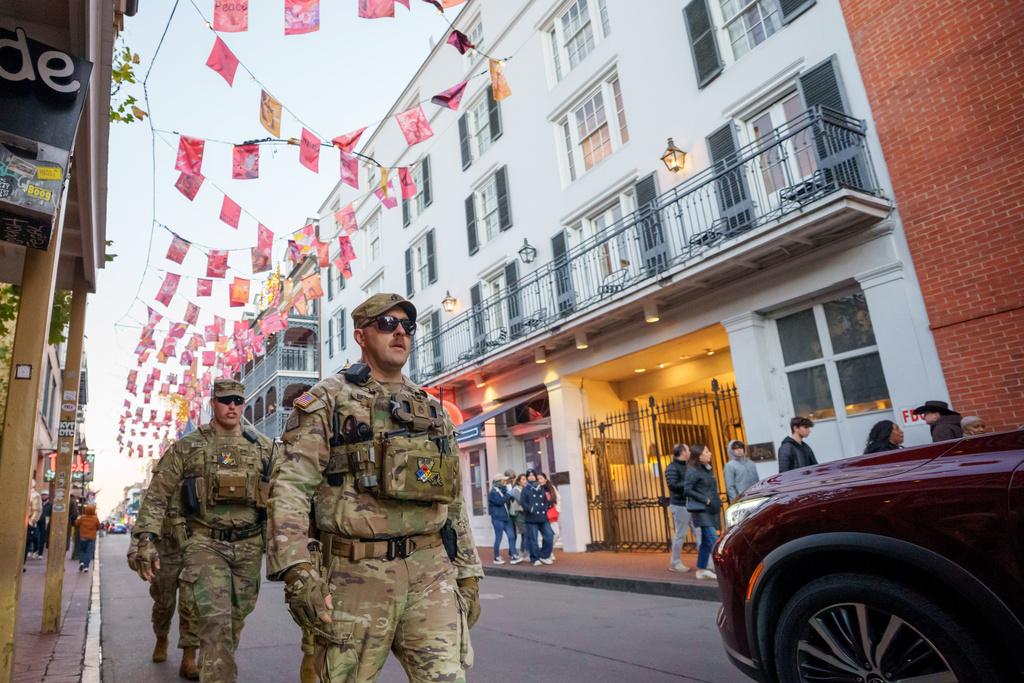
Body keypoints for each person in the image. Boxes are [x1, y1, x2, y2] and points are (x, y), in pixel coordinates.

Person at [266, 293, 482, 683]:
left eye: (406, 326)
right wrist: (297, 571)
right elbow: (290, 488)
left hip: (430, 569)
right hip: (355, 573)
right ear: (361, 336)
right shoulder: (327, 400)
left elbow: (452, 497)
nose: (399, 331)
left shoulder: (430, 409)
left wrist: (467, 572)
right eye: (386, 324)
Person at [133, 379, 275, 683]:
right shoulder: (188, 446)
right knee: (214, 622)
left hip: (249, 546)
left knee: (236, 619)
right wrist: (145, 540)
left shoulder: (263, 446)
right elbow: (158, 493)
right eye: (226, 400)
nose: (232, 406)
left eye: (238, 400)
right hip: (204, 543)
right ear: (213, 403)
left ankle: (218, 663)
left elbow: (285, 494)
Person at [127, 474, 200, 678]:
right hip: (163, 559)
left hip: (191, 557)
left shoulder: (197, 489)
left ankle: (189, 657)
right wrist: (138, 557)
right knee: (164, 606)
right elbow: (142, 530)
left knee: (191, 607)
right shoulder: (155, 498)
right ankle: (161, 637)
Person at [684, 444, 720, 580]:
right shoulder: (693, 470)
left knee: (705, 541)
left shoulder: (706, 469)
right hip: (700, 509)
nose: (710, 453)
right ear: (700, 455)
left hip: (709, 509)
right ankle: (725, 570)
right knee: (714, 540)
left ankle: (701, 570)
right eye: (707, 451)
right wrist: (705, 500)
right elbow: (688, 489)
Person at [665, 443, 697, 573]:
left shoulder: (689, 466)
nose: (690, 452)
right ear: (683, 452)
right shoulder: (672, 467)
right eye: (688, 450)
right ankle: (675, 563)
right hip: (679, 505)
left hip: (691, 504)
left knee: (700, 533)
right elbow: (672, 485)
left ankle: (707, 561)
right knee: (680, 534)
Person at [519, 469, 554, 566]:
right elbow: (523, 502)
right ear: (526, 478)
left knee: (549, 535)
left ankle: (544, 555)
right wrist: (531, 509)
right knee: (533, 539)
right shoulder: (525, 489)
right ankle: (535, 558)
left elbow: (545, 500)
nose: (531, 477)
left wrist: (545, 508)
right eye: (529, 476)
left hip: (542, 516)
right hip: (531, 517)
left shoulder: (541, 488)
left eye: (533, 475)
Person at [488, 478, 516, 563]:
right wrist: (508, 494)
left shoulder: (504, 491)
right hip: (497, 518)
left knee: (511, 536)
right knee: (498, 538)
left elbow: (509, 501)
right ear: (498, 481)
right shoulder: (493, 492)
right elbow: (500, 501)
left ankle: (513, 554)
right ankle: (496, 557)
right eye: (503, 481)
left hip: (506, 517)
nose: (505, 482)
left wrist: (511, 495)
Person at [537, 472, 561, 552]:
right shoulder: (536, 489)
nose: (539, 480)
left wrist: (558, 510)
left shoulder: (551, 487)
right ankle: (547, 552)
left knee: (556, 534)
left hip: (552, 513)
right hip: (542, 514)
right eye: (538, 479)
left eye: (541, 478)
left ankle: (547, 549)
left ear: (545, 479)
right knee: (547, 535)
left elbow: (558, 499)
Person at [74, 504, 101, 572]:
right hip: (91, 537)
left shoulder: (82, 517)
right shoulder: (95, 518)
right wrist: (93, 530)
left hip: (83, 536)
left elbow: (76, 523)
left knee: (83, 550)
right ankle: (86, 566)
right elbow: (98, 527)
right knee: (89, 552)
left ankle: (81, 562)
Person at [510, 474, 528, 562]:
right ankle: (524, 553)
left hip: (524, 513)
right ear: (519, 481)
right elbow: (520, 500)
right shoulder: (516, 489)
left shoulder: (524, 489)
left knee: (525, 534)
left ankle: (523, 553)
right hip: (519, 514)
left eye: (526, 479)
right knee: (525, 533)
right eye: (523, 479)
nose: (525, 481)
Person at [25, 486, 42, 564]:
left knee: (26, 544)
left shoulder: (35, 495)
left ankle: (22, 563)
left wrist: (31, 522)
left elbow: (37, 511)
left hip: (28, 524)